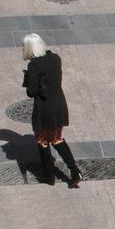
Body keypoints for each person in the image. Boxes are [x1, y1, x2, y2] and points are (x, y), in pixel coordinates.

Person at [22, 33, 80, 188]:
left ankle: (49, 176)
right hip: (59, 104)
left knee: (42, 140)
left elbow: (32, 91)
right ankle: (75, 172)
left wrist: (28, 79)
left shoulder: (34, 65)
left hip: (44, 108)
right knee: (57, 138)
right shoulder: (56, 58)